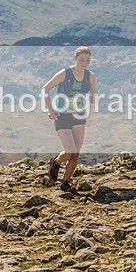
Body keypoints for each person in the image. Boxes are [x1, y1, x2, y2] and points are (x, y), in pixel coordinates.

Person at [42, 46, 97, 193]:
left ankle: (65, 183)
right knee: (70, 151)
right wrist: (50, 109)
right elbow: (45, 88)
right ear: (75, 59)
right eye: (81, 60)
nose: (85, 63)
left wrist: (93, 98)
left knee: (76, 154)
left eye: (87, 60)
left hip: (79, 115)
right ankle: (56, 162)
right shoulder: (65, 73)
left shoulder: (90, 76)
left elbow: (94, 92)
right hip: (62, 116)